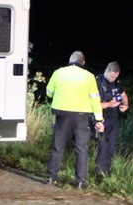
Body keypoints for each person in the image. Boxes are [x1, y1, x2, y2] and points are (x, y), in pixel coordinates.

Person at [45, 51, 104, 189]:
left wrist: (55, 97)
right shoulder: (89, 76)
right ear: (83, 62)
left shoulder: (59, 72)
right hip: (82, 116)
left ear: (69, 60)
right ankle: (80, 181)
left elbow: (49, 92)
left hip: (62, 114)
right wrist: (99, 119)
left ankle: (51, 177)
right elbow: (95, 99)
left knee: (58, 146)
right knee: (81, 148)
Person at [94, 61, 129, 178]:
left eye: (116, 77)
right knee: (103, 147)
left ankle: (107, 172)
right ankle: (99, 174)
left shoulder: (117, 83)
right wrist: (108, 104)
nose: (113, 79)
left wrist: (125, 105)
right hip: (100, 118)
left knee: (111, 146)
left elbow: (123, 95)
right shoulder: (96, 82)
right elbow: (92, 105)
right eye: (112, 76)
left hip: (113, 119)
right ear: (106, 71)